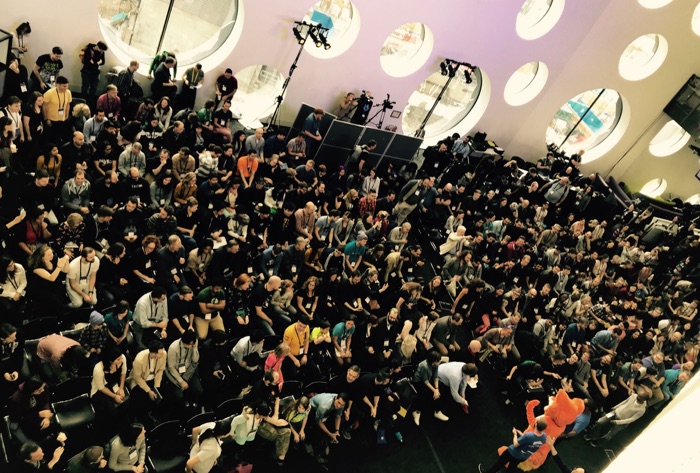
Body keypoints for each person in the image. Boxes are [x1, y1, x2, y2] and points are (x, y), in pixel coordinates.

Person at [478, 417, 548, 473]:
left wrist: (515, 434)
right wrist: (522, 435)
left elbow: (515, 445)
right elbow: (533, 441)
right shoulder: (544, 437)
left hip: (512, 453)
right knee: (511, 468)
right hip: (523, 457)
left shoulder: (528, 436)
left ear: (535, 424)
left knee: (499, 464)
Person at [583, 389, 650, 446]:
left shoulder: (641, 410)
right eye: (638, 395)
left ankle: (599, 442)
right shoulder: (634, 396)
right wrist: (615, 407)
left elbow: (631, 419)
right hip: (615, 412)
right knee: (600, 421)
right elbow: (625, 401)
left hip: (622, 422)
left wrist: (617, 422)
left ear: (644, 400)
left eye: (639, 397)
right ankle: (591, 435)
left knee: (611, 433)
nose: (637, 397)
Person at [127, 340, 167, 424]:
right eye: (160, 353)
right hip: (140, 381)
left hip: (154, 379)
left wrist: (156, 387)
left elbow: (160, 370)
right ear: (153, 353)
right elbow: (137, 378)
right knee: (140, 403)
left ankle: (159, 416)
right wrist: (149, 390)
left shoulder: (163, 354)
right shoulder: (140, 359)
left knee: (164, 396)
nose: (162, 353)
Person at [80, 41, 108, 106]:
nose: (101, 51)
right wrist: (97, 62)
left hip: (96, 73)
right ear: (97, 46)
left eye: (102, 50)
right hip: (86, 72)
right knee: (85, 87)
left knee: (94, 88)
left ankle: (90, 102)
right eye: (100, 49)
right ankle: (83, 101)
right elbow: (87, 61)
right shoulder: (89, 50)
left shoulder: (101, 52)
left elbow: (103, 62)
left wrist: (94, 63)